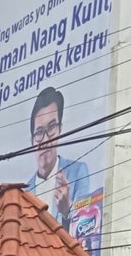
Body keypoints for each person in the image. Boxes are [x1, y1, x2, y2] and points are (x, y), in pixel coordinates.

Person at [24, 86, 91, 229]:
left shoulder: (78, 172)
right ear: (32, 141)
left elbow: (85, 231)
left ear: (60, 129)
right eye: (39, 132)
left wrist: (67, 212)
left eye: (51, 127)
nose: (45, 139)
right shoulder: (23, 194)